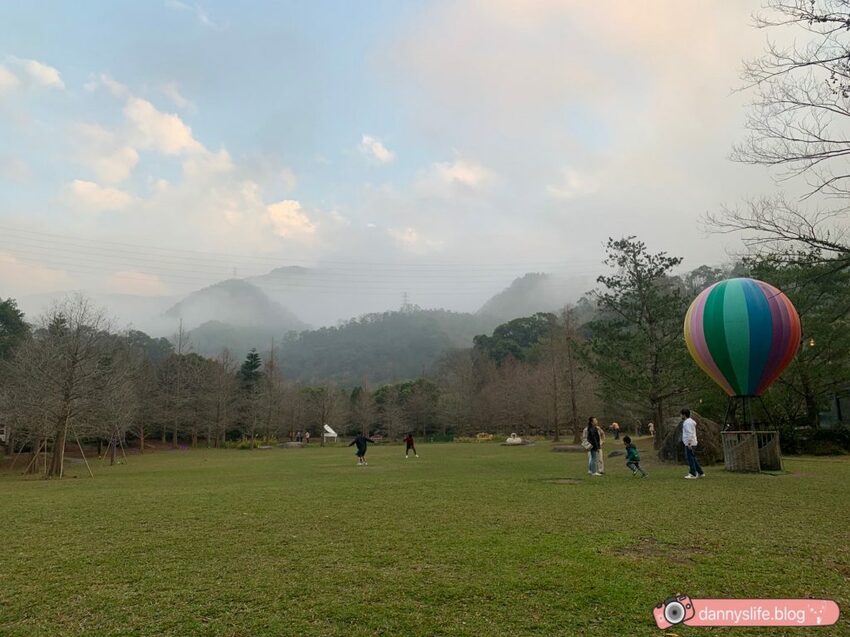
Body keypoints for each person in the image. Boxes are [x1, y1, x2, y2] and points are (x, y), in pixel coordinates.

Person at [681, 408, 705, 479]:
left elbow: (689, 433)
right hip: (692, 442)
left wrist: (689, 443)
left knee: (690, 458)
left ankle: (693, 473)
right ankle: (700, 472)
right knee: (693, 458)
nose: (680, 416)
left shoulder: (687, 423)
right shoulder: (690, 422)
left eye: (681, 415)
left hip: (690, 443)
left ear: (684, 415)